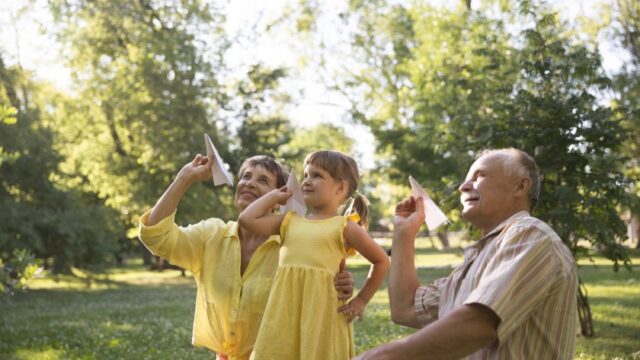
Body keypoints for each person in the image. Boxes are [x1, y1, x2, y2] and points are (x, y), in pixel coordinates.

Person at [356, 148, 578, 359]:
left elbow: (479, 323)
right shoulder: (475, 262)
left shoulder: (530, 234)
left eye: (479, 176)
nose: (463, 186)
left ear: (520, 186)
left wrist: (378, 357)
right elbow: (405, 309)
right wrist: (404, 234)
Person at [138, 154, 355, 360]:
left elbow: (321, 283)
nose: (249, 183)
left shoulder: (293, 245)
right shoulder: (211, 235)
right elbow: (156, 237)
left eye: (263, 180)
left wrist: (339, 282)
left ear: (281, 195)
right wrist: (183, 179)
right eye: (246, 177)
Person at [238, 150, 391, 360]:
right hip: (284, 311)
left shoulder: (344, 227)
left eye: (317, 175)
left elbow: (381, 260)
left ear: (341, 188)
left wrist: (362, 300)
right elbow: (247, 219)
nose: (307, 181)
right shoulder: (289, 221)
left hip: (321, 316)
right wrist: (275, 195)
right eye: (307, 175)